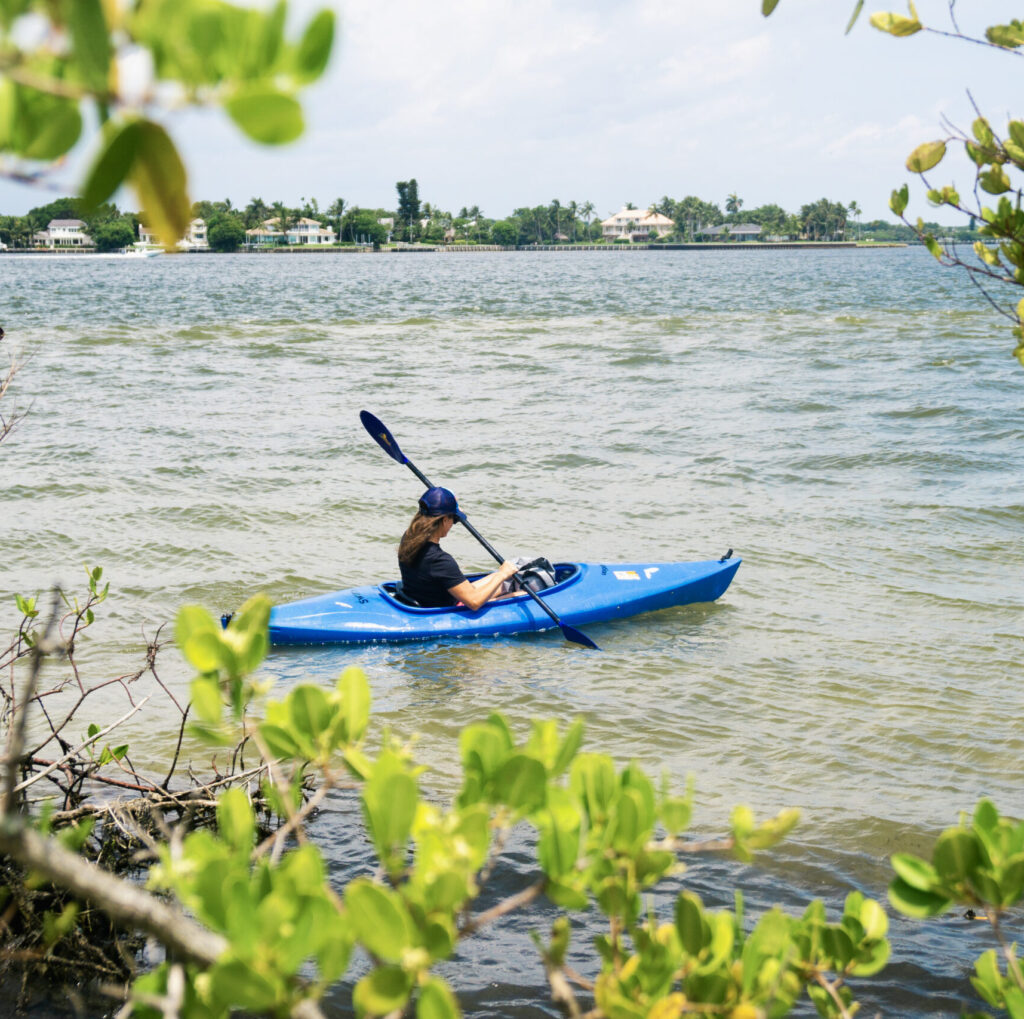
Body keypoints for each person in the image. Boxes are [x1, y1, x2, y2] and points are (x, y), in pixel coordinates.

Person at [398, 486, 518, 609]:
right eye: (454, 519)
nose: (453, 523)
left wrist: (452, 510)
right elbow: (474, 602)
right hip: (450, 606)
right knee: (518, 591)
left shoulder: (409, 537)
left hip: (424, 597)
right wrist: (502, 574)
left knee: (506, 578)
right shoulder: (440, 560)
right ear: (445, 519)